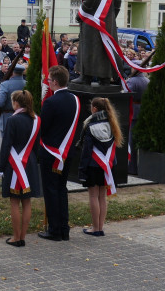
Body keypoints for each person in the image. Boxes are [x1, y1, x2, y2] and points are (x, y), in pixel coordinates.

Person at [36, 66, 80, 241]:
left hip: (52, 152)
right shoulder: (75, 99)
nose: (47, 83)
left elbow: (43, 127)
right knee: (62, 189)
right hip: (67, 152)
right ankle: (63, 228)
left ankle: (55, 231)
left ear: (55, 82)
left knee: (51, 190)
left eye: (49, 81)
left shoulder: (51, 102)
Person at [0, 89, 41, 247]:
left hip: (14, 164)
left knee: (15, 201)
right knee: (27, 202)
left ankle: (16, 237)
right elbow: (36, 146)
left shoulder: (12, 120)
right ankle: (22, 236)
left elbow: (6, 144)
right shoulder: (37, 119)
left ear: (16, 103)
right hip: (29, 163)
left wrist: (0, 166)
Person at [78, 97, 123, 236]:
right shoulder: (112, 124)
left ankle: (95, 227)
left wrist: (82, 169)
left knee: (93, 196)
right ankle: (100, 227)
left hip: (93, 165)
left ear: (95, 109)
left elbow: (87, 151)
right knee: (102, 197)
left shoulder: (90, 126)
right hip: (107, 165)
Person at [0, 60, 27, 135]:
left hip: (8, 117)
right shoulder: (27, 84)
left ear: (12, 72)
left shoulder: (5, 84)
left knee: (7, 144)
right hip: (24, 118)